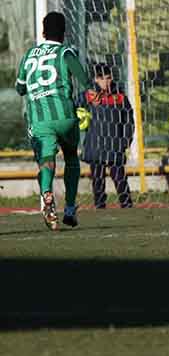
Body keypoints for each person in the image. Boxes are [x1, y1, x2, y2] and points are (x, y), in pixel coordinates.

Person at [15, 12, 91, 230]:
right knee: (71, 158)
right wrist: (90, 89)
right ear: (64, 33)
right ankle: (69, 209)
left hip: (40, 119)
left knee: (47, 160)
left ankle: (46, 192)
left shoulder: (30, 54)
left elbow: (20, 88)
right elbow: (80, 74)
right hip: (65, 115)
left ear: (43, 31)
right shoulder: (64, 51)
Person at [78, 63, 134, 209]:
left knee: (120, 178)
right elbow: (72, 107)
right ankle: (100, 206)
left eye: (109, 78)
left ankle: (127, 205)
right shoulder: (89, 95)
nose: (107, 82)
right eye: (103, 79)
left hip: (115, 145)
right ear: (96, 79)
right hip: (95, 145)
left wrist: (125, 141)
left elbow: (129, 120)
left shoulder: (120, 96)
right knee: (97, 180)